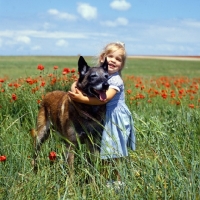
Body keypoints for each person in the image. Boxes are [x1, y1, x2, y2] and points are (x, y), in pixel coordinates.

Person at [68, 42, 135, 184]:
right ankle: (104, 180)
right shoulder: (100, 73)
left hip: (116, 119)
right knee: (105, 151)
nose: (113, 60)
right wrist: (74, 87)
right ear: (103, 58)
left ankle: (118, 181)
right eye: (111, 57)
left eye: (118, 59)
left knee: (115, 152)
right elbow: (79, 81)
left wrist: (82, 98)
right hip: (106, 117)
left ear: (122, 64)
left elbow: (103, 100)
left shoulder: (116, 80)